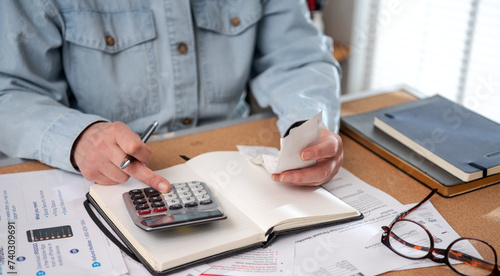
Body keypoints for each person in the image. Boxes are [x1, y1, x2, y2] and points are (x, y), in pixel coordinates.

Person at [0, 0, 343, 193]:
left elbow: (298, 56)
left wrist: (308, 127)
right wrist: (77, 138)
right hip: (102, 176)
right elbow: (8, 91)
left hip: (239, 166)